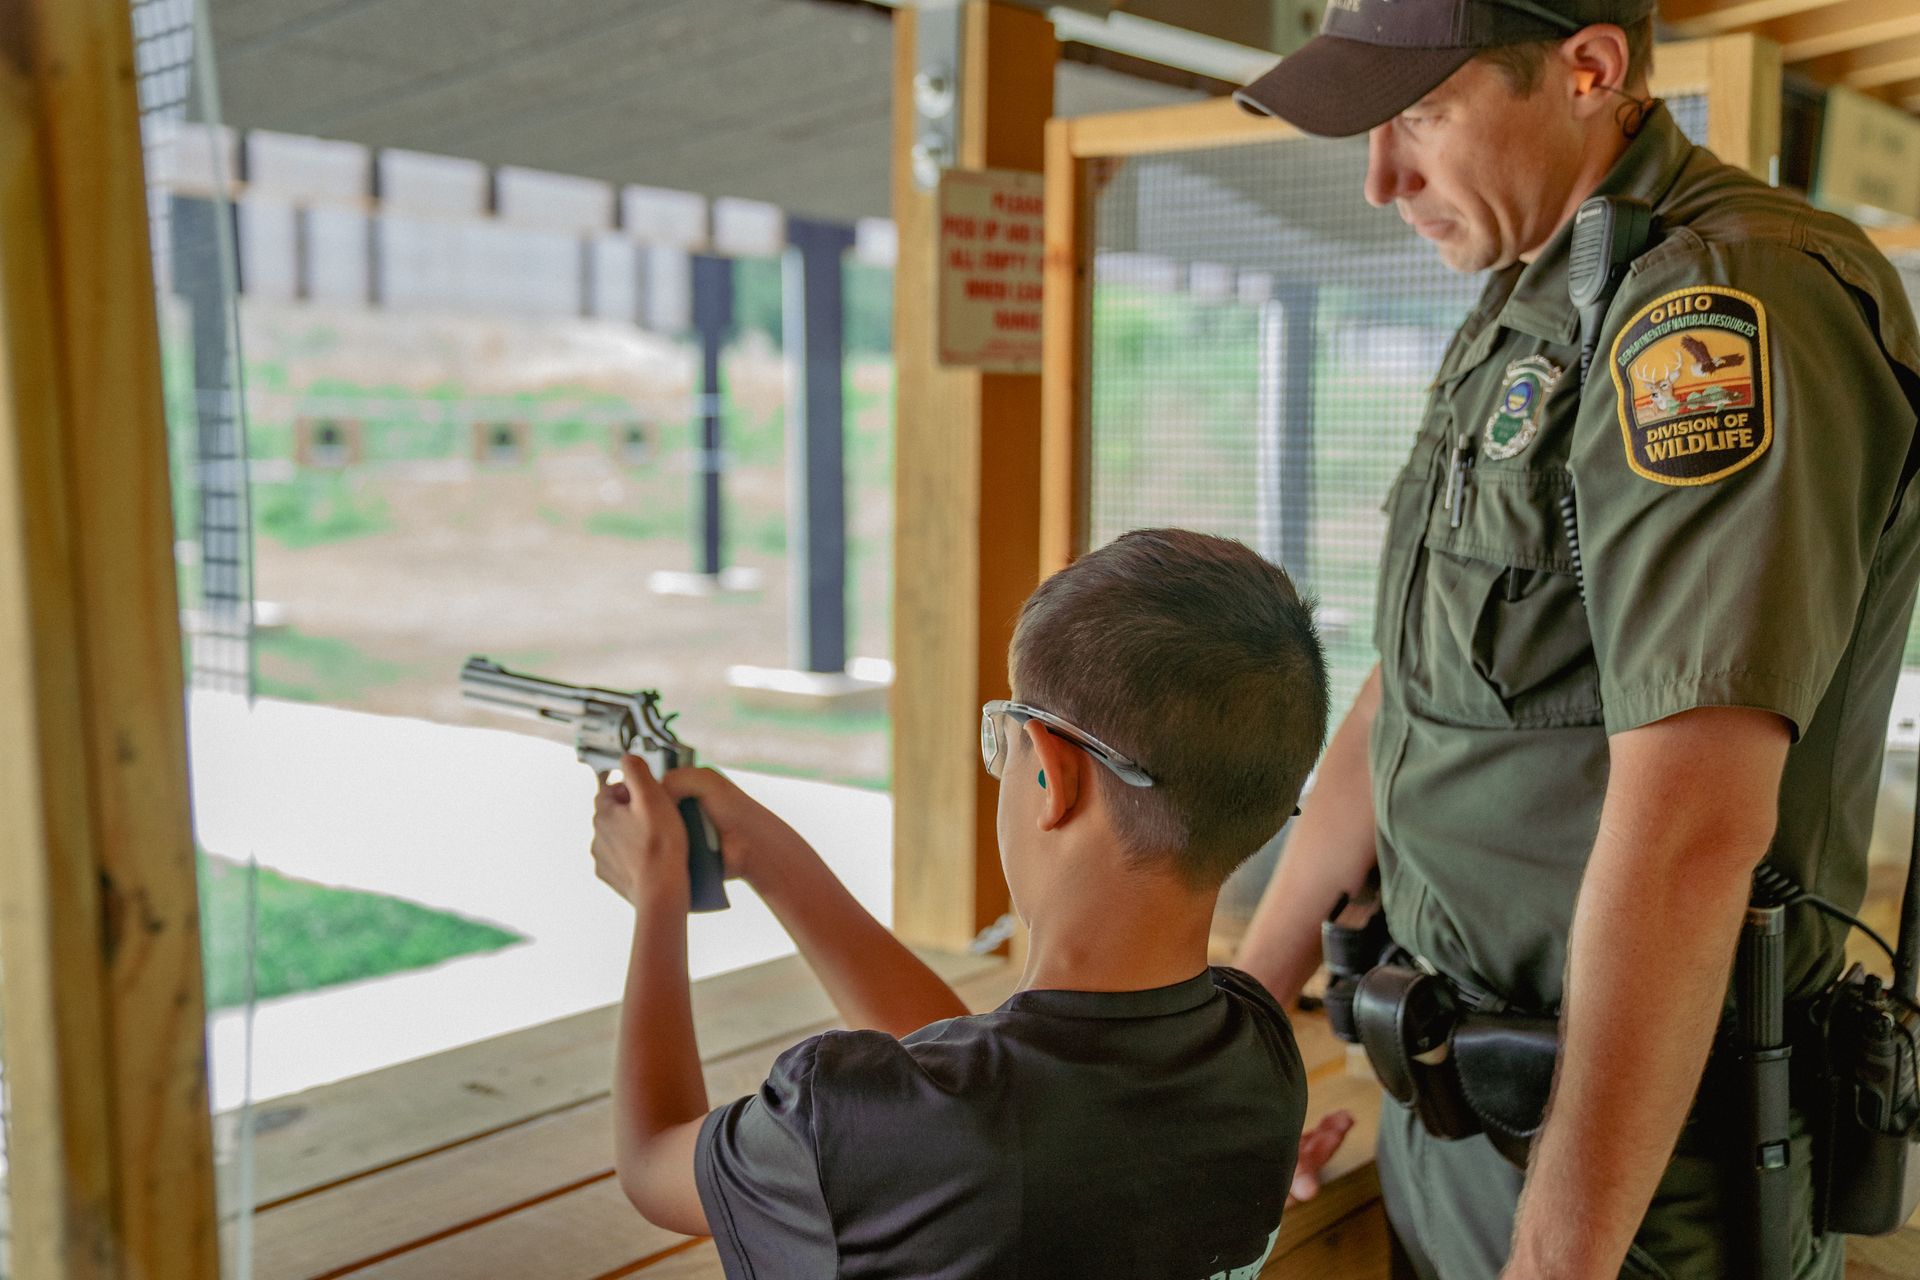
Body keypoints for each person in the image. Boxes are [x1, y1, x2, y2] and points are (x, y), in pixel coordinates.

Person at [1232, 2, 1920, 1278]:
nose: (1384, 180)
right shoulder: (1538, 295)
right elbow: (1418, 694)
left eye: (1420, 117)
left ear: (1589, 70)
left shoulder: (1715, 302)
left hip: (1632, 1185)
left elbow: (1692, 822)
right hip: (1456, 1112)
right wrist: (1236, 1039)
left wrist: (1559, 1259)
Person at [588, 528, 1330, 1279]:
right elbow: (973, 1084)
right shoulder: (1259, 1054)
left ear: (1051, 772)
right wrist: (774, 860)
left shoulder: (861, 1125)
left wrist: (658, 896)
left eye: (1003, 738)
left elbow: (653, 1162)